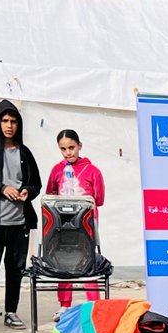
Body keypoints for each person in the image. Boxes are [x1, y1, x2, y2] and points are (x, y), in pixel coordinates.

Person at [0, 100, 41, 332]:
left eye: (13, 121)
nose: (9, 125)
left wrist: (28, 192)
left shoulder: (24, 152)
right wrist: (1, 188)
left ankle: (11, 312)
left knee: (16, 268)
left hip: (20, 222)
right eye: (5, 121)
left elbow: (36, 183)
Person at [46, 128, 106, 321]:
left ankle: (93, 305)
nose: (68, 152)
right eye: (63, 149)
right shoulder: (56, 170)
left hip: (86, 224)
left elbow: (100, 199)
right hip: (62, 224)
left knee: (88, 261)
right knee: (62, 260)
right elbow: (50, 195)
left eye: (71, 147)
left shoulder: (93, 170)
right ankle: (64, 305)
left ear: (80, 146)